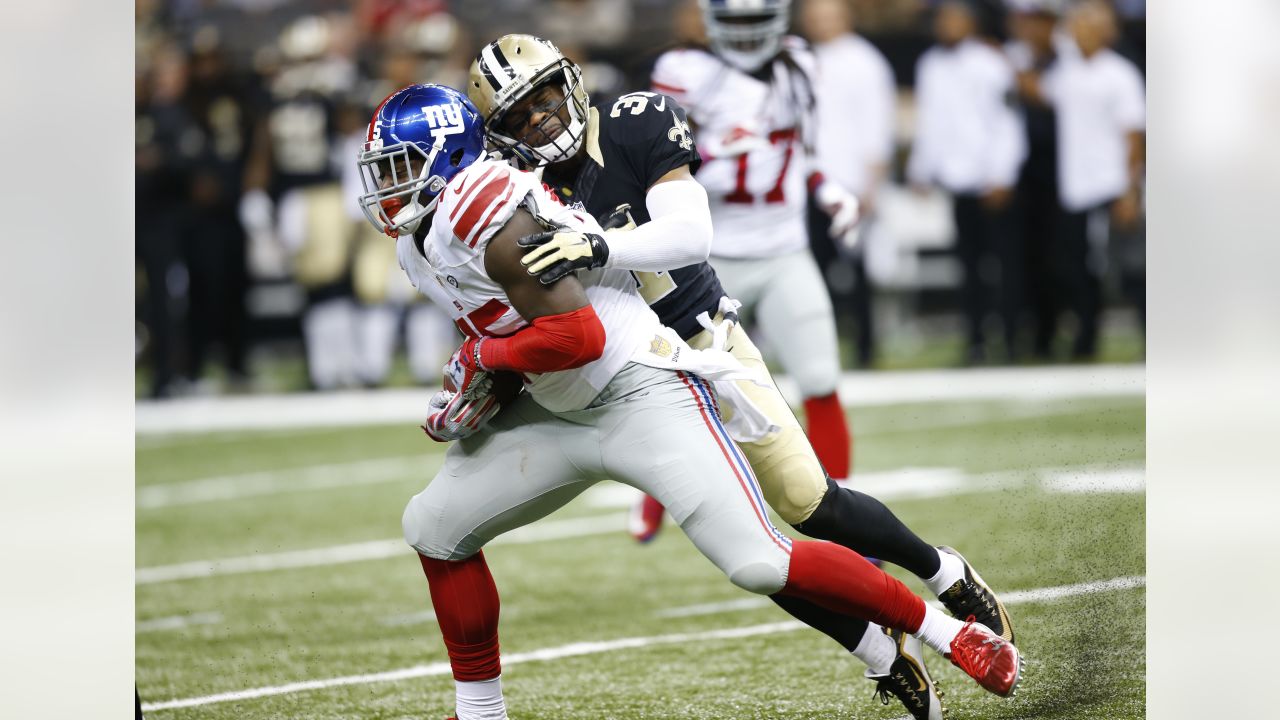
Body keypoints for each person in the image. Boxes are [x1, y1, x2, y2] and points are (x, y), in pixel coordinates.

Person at [357, 83, 1022, 720]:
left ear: (447, 159)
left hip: (638, 386)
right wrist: (486, 381)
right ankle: (480, 715)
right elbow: (513, 326)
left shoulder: (486, 206)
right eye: (382, 172)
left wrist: (482, 359)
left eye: (400, 168)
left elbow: (576, 334)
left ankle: (946, 630)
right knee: (435, 529)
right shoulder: (424, 239)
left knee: (763, 554)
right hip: (557, 408)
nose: (387, 187)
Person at [650, 0, 859, 481]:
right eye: (734, 21)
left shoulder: (800, 64)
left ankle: (854, 529)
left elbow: (803, 152)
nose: (744, 34)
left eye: (753, 21)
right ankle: (654, 494)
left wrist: (828, 191)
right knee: (689, 391)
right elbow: (652, 166)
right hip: (713, 258)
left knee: (821, 379)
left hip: (786, 249)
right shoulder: (684, 71)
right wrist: (711, 153)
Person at [1022, 0, 1146, 357]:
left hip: (1112, 184)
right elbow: (1040, 91)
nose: (1082, 34)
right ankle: (1086, 340)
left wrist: (1131, 189)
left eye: (1090, 27)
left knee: (1132, 270)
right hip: (1077, 187)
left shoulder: (1120, 73)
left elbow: (1134, 135)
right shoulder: (1069, 74)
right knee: (1074, 269)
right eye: (1077, 27)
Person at [906, 0, 1026, 363]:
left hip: (991, 181)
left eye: (954, 18)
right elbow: (930, 122)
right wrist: (921, 168)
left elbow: (1007, 121)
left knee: (1004, 266)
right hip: (957, 182)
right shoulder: (930, 64)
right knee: (969, 267)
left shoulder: (991, 63)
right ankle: (975, 341)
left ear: (971, 23)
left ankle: (1011, 340)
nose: (947, 25)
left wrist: (1003, 174)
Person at [799, 0, 897, 367]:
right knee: (813, 270)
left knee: (856, 271)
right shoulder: (805, 60)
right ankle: (819, 349)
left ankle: (866, 348)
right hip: (811, 179)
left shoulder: (865, 61)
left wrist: (871, 182)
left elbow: (876, 124)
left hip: (850, 181)